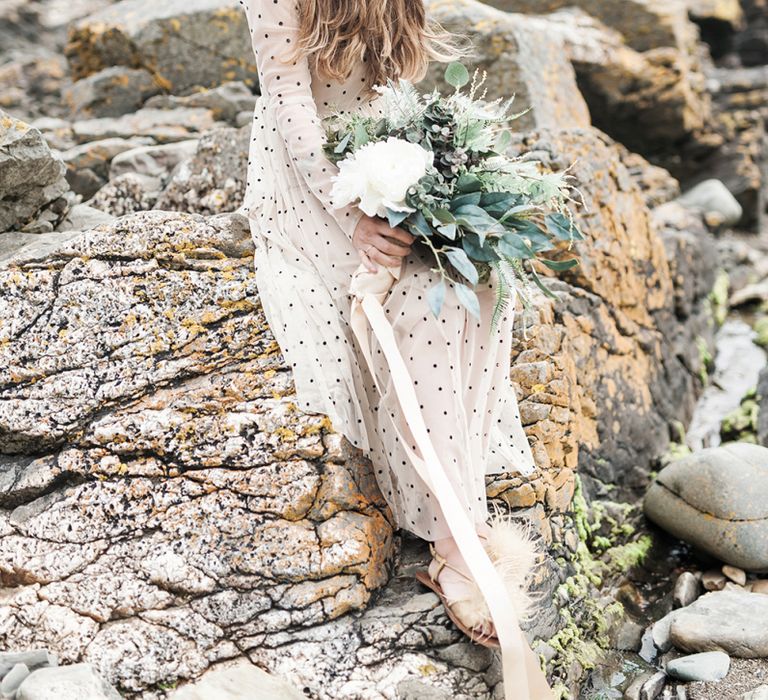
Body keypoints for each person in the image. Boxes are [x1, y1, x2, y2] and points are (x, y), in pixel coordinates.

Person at [239, 1, 548, 689]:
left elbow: (389, 89)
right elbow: (290, 107)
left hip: (376, 158)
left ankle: (458, 516)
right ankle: (454, 544)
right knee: (419, 307)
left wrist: (421, 184)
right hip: (307, 183)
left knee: (482, 286)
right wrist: (354, 215)